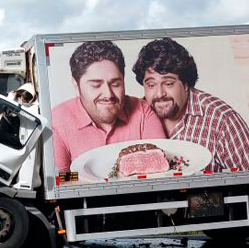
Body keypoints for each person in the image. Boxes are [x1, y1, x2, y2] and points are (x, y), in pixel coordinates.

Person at [133, 38, 249, 172]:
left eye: (168, 83)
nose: (159, 94)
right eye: (151, 85)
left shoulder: (223, 120)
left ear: (185, 84)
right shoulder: (135, 116)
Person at [52, 40, 165, 173]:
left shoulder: (143, 111)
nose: (108, 94)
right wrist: (83, 178)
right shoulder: (57, 120)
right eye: (96, 85)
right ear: (77, 86)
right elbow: (59, 179)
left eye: (115, 84)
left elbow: (162, 171)